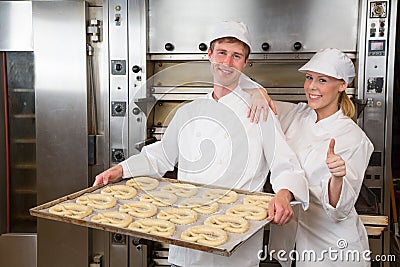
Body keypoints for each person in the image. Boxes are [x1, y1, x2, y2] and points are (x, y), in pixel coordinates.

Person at [94, 21, 309, 267]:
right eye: (222, 53)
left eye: (236, 56)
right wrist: (121, 170)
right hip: (187, 240)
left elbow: (285, 164)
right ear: (209, 54)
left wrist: (283, 193)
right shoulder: (189, 112)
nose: (227, 63)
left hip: (237, 246)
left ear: (245, 63)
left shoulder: (259, 112)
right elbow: (161, 156)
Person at [247, 48, 374, 266]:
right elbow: (255, 103)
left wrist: (338, 178)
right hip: (291, 243)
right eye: (309, 78)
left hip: (331, 249)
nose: (312, 87)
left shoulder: (353, 137)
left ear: (342, 85)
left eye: (322, 80)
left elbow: (339, 211)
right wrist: (257, 91)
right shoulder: (297, 115)